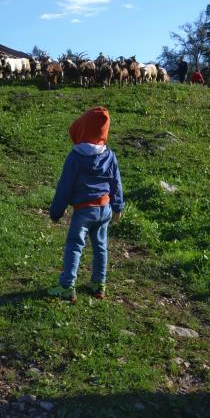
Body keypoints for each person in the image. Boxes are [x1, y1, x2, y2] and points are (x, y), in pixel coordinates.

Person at [49, 107, 124, 303]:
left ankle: (66, 286)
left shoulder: (75, 157)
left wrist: (56, 211)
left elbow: (65, 186)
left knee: (75, 245)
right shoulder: (110, 156)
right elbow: (116, 182)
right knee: (101, 246)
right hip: (105, 209)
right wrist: (118, 206)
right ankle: (99, 284)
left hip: (84, 210)